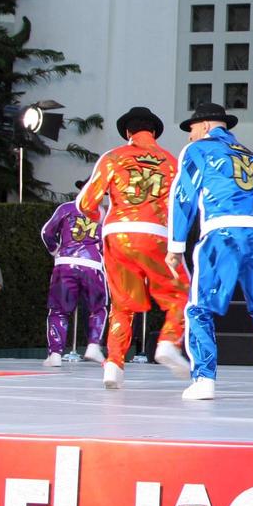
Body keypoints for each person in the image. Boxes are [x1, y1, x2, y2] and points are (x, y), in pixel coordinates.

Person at [165, 102, 253, 401]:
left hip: (223, 230)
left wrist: (175, 246)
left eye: (191, 128)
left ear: (206, 125)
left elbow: (184, 195)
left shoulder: (198, 150)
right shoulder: (251, 155)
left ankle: (204, 378)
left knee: (199, 307)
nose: (189, 135)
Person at [77, 106, 190, 389]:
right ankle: (167, 341)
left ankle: (114, 363)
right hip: (157, 235)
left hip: (118, 235)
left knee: (122, 304)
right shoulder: (171, 161)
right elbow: (184, 205)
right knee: (180, 294)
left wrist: (100, 218)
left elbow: (85, 203)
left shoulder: (113, 157)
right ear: (153, 132)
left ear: (128, 132)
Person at [39, 182, 108, 367]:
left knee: (59, 310)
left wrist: (55, 250)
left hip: (65, 264)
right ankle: (93, 345)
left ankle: (55, 354)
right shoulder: (105, 214)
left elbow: (47, 232)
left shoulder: (66, 208)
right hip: (93, 265)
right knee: (98, 308)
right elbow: (111, 241)